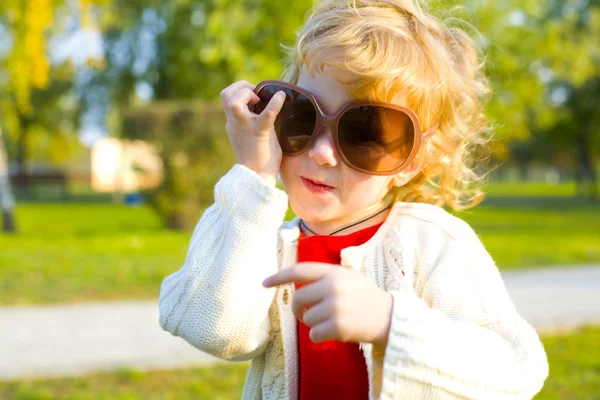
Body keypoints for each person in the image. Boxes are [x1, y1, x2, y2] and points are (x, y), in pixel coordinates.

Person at [158, 0, 549, 399]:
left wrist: (391, 322)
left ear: (414, 160)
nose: (322, 153)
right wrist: (254, 174)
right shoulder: (262, 244)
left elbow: (518, 370)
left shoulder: (432, 243)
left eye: (365, 133)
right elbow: (214, 329)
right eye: (302, 116)